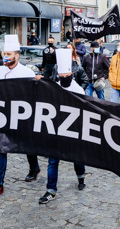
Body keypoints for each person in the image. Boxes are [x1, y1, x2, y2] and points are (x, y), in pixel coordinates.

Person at [0, 35, 41, 199]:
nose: (5, 56)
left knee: (28, 145)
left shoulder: (26, 72)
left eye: (9, 54)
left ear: (17, 55)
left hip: (22, 116)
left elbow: (35, 94)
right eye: (4, 53)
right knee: (1, 148)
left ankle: (34, 168)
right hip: (3, 116)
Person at [39, 49, 87, 204]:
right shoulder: (54, 87)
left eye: (67, 76)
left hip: (73, 130)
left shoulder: (78, 90)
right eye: (62, 76)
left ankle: (81, 176)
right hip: (56, 130)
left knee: (77, 158)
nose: (64, 78)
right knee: (53, 161)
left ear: (71, 75)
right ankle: (50, 191)